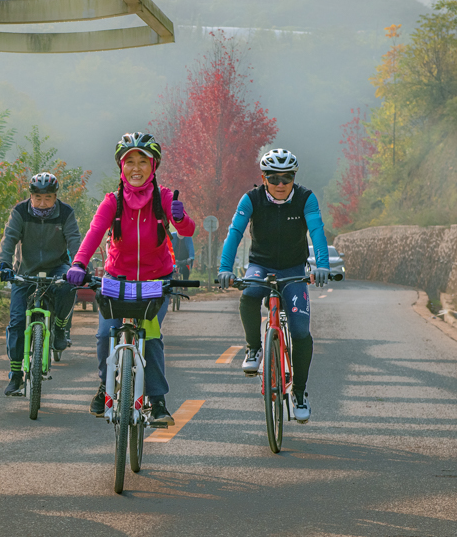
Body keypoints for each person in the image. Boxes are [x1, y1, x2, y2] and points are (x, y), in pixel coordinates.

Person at [67, 132, 195, 426]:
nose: (136, 168)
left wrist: (180, 217)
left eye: (143, 162)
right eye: (129, 162)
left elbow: (187, 231)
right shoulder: (112, 202)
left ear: (154, 166)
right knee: (104, 335)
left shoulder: (164, 199)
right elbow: (94, 234)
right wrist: (78, 263)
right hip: (117, 279)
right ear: (121, 167)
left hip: (155, 280)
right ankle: (105, 386)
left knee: (150, 337)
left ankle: (158, 401)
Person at [217, 148, 331, 423]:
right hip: (261, 266)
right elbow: (235, 233)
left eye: (287, 178)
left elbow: (316, 231)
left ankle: (300, 393)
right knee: (249, 293)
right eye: (274, 177)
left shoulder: (306, 198)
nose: (281, 184)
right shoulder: (251, 199)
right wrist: (224, 269)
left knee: (301, 331)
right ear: (264, 177)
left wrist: (322, 265)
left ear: (294, 177)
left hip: (293, 269)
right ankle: (254, 348)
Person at [0, 172, 82, 396]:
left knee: (68, 286)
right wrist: (4, 264)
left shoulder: (66, 213)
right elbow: (9, 239)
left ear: (56, 197)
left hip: (57, 267)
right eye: (38, 198)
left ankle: (61, 326)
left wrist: (79, 265)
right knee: (16, 322)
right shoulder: (19, 212)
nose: (43, 203)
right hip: (26, 270)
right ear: (31, 196)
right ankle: (16, 375)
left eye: (48, 198)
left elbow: (74, 240)